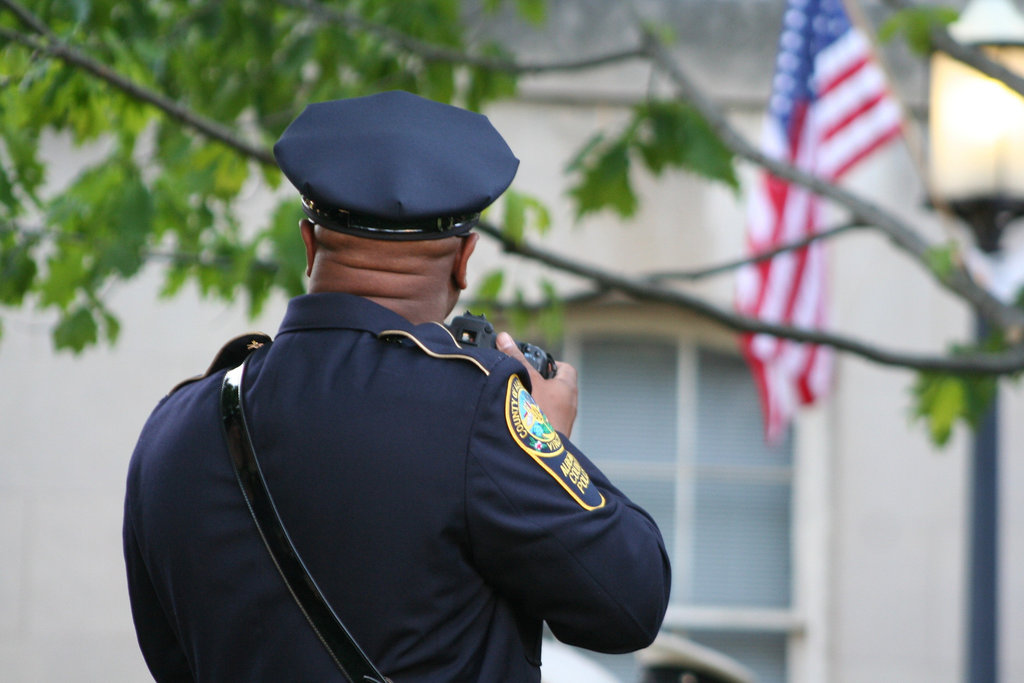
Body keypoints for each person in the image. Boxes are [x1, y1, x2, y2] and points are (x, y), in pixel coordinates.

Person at [123, 90, 671, 682]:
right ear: (464, 259)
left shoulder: (175, 427)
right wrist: (544, 438)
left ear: (308, 243)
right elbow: (631, 600)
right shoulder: (475, 410)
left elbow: (169, 655)